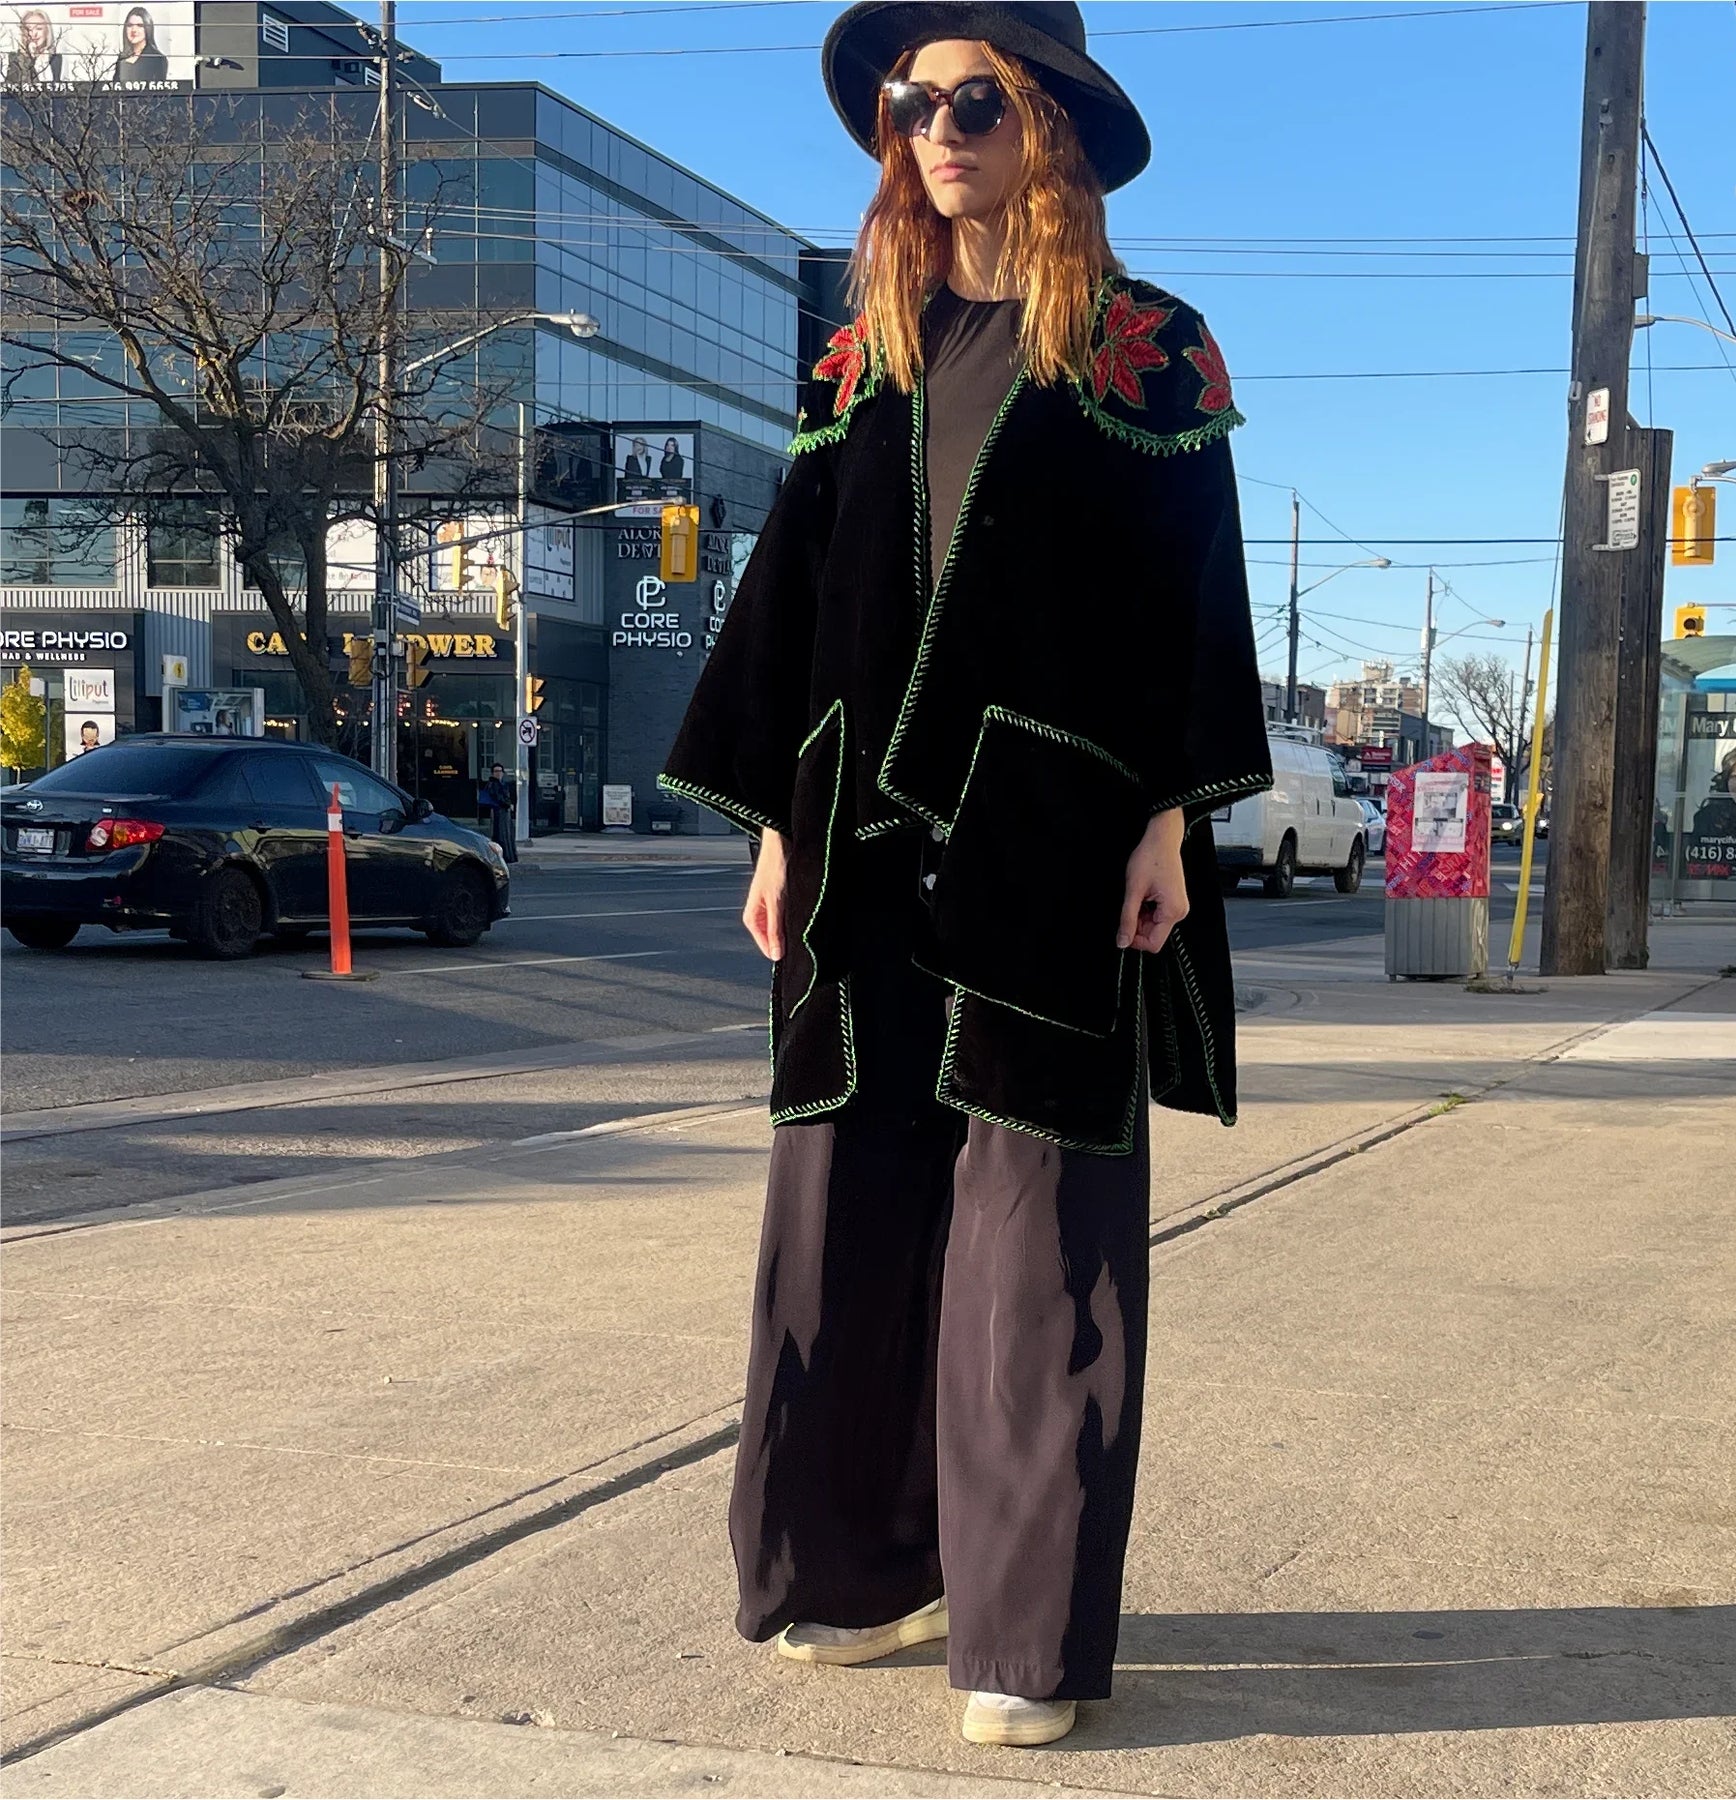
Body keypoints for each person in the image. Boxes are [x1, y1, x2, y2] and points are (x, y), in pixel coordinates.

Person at [660, 1, 1269, 1752]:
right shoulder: (859, 355)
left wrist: (1168, 819)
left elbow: (1192, 594)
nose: (935, 128)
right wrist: (773, 818)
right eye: (909, 102)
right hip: (855, 837)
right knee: (836, 1215)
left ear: (1048, 124)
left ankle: (1019, 1635)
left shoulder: (1147, 350)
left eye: (974, 100)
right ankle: (852, 1572)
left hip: (1050, 835)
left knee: (1035, 1243)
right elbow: (788, 591)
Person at [113, 7, 167, 82]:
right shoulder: (122, 58)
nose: (134, 30)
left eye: (139, 25)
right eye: (130, 25)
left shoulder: (157, 58)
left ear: (148, 28)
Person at [478, 761, 517, 863]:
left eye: (500, 771)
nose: (498, 773)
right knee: (501, 834)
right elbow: (499, 798)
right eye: (496, 771)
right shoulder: (493, 784)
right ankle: (504, 856)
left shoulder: (500, 784)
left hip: (503, 811)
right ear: (492, 773)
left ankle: (506, 856)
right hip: (499, 812)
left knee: (505, 833)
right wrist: (508, 804)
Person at [6, 9, 60, 83]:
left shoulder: (57, 59)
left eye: (39, 29)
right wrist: (29, 59)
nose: (33, 34)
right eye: (28, 29)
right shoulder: (15, 61)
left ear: (47, 31)